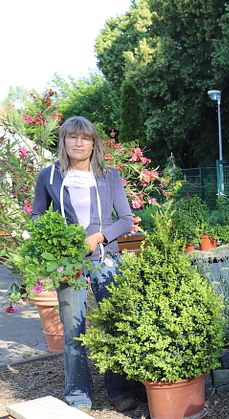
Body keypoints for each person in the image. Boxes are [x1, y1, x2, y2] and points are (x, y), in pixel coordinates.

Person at [31, 116, 142, 412]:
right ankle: (78, 395)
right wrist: (60, 242)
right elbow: (38, 216)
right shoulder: (49, 176)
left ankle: (119, 390)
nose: (79, 143)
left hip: (106, 259)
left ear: (94, 143)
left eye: (86, 138)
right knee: (74, 329)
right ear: (64, 142)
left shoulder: (109, 175)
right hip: (68, 264)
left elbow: (127, 220)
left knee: (113, 324)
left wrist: (99, 236)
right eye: (73, 137)